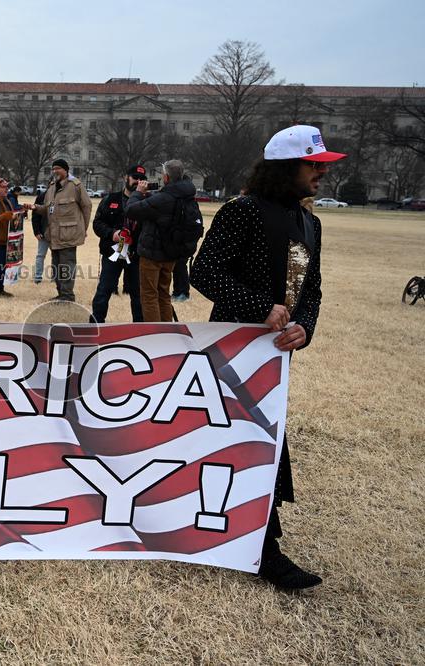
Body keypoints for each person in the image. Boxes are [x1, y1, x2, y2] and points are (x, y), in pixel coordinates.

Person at [191, 124, 346, 591]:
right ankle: (261, 546)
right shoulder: (242, 212)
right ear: (285, 167)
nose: (321, 174)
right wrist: (261, 307)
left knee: (263, 435)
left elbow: (311, 290)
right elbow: (205, 273)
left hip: (276, 355)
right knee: (231, 437)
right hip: (234, 347)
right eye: (312, 164)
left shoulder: (311, 222)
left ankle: (258, 537)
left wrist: (305, 327)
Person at [124, 159, 197, 322]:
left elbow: (130, 210)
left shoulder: (164, 198)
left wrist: (137, 192)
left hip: (152, 254)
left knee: (149, 296)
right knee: (164, 294)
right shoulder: (187, 196)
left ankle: (155, 333)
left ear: (166, 178)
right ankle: (166, 330)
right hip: (171, 253)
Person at [90, 165, 146, 323]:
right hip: (112, 254)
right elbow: (97, 223)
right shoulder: (110, 199)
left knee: (138, 294)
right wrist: (112, 234)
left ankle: (140, 329)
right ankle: (95, 325)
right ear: (126, 177)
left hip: (136, 255)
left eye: (141, 179)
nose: (138, 181)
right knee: (104, 290)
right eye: (135, 178)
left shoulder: (147, 201)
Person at [30, 159, 92, 302]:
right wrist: (35, 208)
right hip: (54, 234)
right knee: (56, 266)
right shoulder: (51, 187)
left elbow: (87, 206)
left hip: (68, 235)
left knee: (67, 267)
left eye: (58, 168)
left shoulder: (75, 185)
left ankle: (68, 296)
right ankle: (61, 294)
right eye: (53, 169)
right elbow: (47, 208)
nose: (55, 171)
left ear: (66, 170)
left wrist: (83, 227)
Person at [30, 188, 49, 284]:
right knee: (41, 255)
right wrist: (36, 231)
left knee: (57, 256)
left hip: (57, 233)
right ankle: (38, 276)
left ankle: (55, 277)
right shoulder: (41, 197)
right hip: (43, 231)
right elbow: (35, 216)